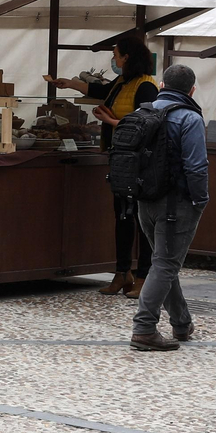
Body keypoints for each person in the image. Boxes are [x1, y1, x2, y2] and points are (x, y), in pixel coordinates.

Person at [47, 31, 160, 297]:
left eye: (116, 55)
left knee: (141, 220)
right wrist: (71, 84)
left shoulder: (145, 86)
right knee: (122, 216)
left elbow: (148, 126)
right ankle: (122, 273)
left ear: (127, 57)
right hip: (119, 159)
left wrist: (109, 121)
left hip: (138, 163)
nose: (113, 58)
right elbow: (100, 90)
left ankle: (144, 275)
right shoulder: (123, 81)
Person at [128, 63, 209, 352]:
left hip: (143, 201)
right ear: (192, 90)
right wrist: (201, 200)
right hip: (176, 205)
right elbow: (197, 167)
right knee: (165, 263)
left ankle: (181, 324)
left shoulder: (140, 113)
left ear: (162, 86)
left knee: (164, 261)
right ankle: (144, 328)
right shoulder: (189, 118)